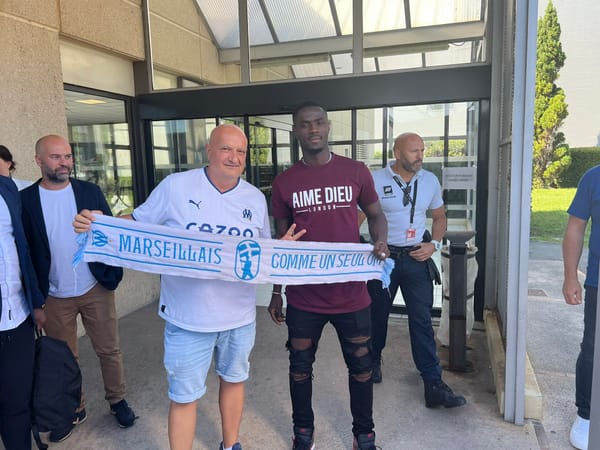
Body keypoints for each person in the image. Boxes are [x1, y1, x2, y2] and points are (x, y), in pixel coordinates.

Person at [74, 124, 301, 450]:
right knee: (183, 396)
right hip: (187, 318)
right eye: (226, 149)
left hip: (239, 316)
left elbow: (261, 252)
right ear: (209, 151)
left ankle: (231, 444)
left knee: (235, 380)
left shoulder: (253, 197)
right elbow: (138, 224)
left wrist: (282, 250)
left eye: (240, 151)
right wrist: (101, 222)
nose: (234, 157)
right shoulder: (176, 187)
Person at [268, 101, 389, 450]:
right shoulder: (284, 183)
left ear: (328, 126)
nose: (313, 129)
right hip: (306, 296)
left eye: (318, 123)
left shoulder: (355, 171)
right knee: (299, 367)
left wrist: (379, 239)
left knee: (362, 367)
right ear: (296, 131)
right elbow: (282, 245)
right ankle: (302, 433)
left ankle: (363, 434)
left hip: (351, 294)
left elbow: (376, 215)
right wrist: (278, 292)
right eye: (305, 125)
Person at [20, 135, 136, 442]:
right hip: (55, 295)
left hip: (94, 286)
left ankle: (117, 400)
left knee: (109, 350)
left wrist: (104, 222)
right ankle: (74, 409)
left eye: (68, 156)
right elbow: (27, 252)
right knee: (64, 359)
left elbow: (112, 232)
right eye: (56, 157)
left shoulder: (89, 191)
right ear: (39, 161)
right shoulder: (27, 199)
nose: (64, 163)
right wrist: (36, 300)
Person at [364, 132, 466, 408]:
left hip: (417, 258)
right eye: (414, 151)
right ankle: (373, 361)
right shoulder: (375, 180)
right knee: (377, 315)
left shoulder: (430, 180)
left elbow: (439, 217)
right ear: (397, 153)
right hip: (385, 260)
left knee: (421, 320)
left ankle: (433, 382)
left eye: (422, 150)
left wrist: (433, 244)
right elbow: (358, 216)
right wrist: (364, 246)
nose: (420, 156)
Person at [0, 174, 46, 450]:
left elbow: (23, 248)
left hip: (17, 316)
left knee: (17, 403)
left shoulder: (7, 187)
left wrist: (36, 301)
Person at [562, 165, 600, 450]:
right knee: (592, 349)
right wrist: (571, 276)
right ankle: (587, 416)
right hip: (598, 283)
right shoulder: (593, 177)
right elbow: (576, 227)